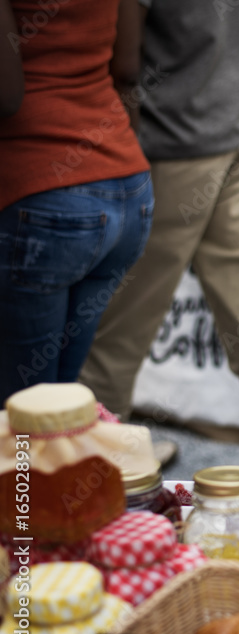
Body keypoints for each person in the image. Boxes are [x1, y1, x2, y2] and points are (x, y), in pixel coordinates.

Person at [78, 0, 239, 508]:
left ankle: (80, 508)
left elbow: (125, 61)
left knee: (114, 342)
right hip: (238, 132)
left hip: (175, 147)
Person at [0, 0, 152, 405]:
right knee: (59, 403)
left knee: (23, 413)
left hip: (43, 195)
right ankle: (42, 470)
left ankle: (23, 473)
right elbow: (127, 68)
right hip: (125, 187)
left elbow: (6, 94)